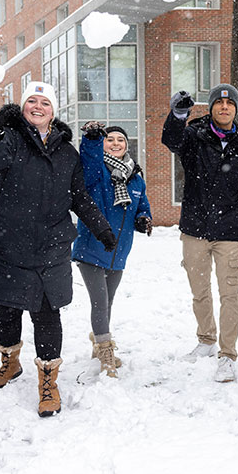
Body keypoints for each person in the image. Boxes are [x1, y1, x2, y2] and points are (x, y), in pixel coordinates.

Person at [0, 82, 115, 416]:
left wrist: (102, 228)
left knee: (47, 313)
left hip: (50, 246)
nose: (37, 106)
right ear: (22, 108)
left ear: (53, 110)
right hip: (5, 243)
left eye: (44, 102)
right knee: (6, 307)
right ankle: (10, 363)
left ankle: (48, 381)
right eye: (31, 101)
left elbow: (79, 196)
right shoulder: (9, 138)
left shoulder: (67, 153)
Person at [162, 84, 238, 383]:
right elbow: (170, 140)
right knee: (200, 292)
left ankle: (227, 355)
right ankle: (206, 340)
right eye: (219, 103)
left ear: (236, 109)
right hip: (194, 228)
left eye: (230, 103)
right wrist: (177, 115)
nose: (224, 107)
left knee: (230, 294)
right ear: (211, 108)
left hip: (229, 231)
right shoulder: (193, 137)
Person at [71, 121, 152, 378]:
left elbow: (142, 207)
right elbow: (90, 157)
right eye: (110, 139)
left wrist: (144, 219)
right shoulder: (97, 172)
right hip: (92, 247)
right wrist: (93, 138)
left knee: (108, 302)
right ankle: (106, 353)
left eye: (120, 140)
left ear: (127, 145)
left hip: (119, 252)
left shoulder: (136, 178)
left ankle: (98, 342)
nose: (115, 143)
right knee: (100, 301)